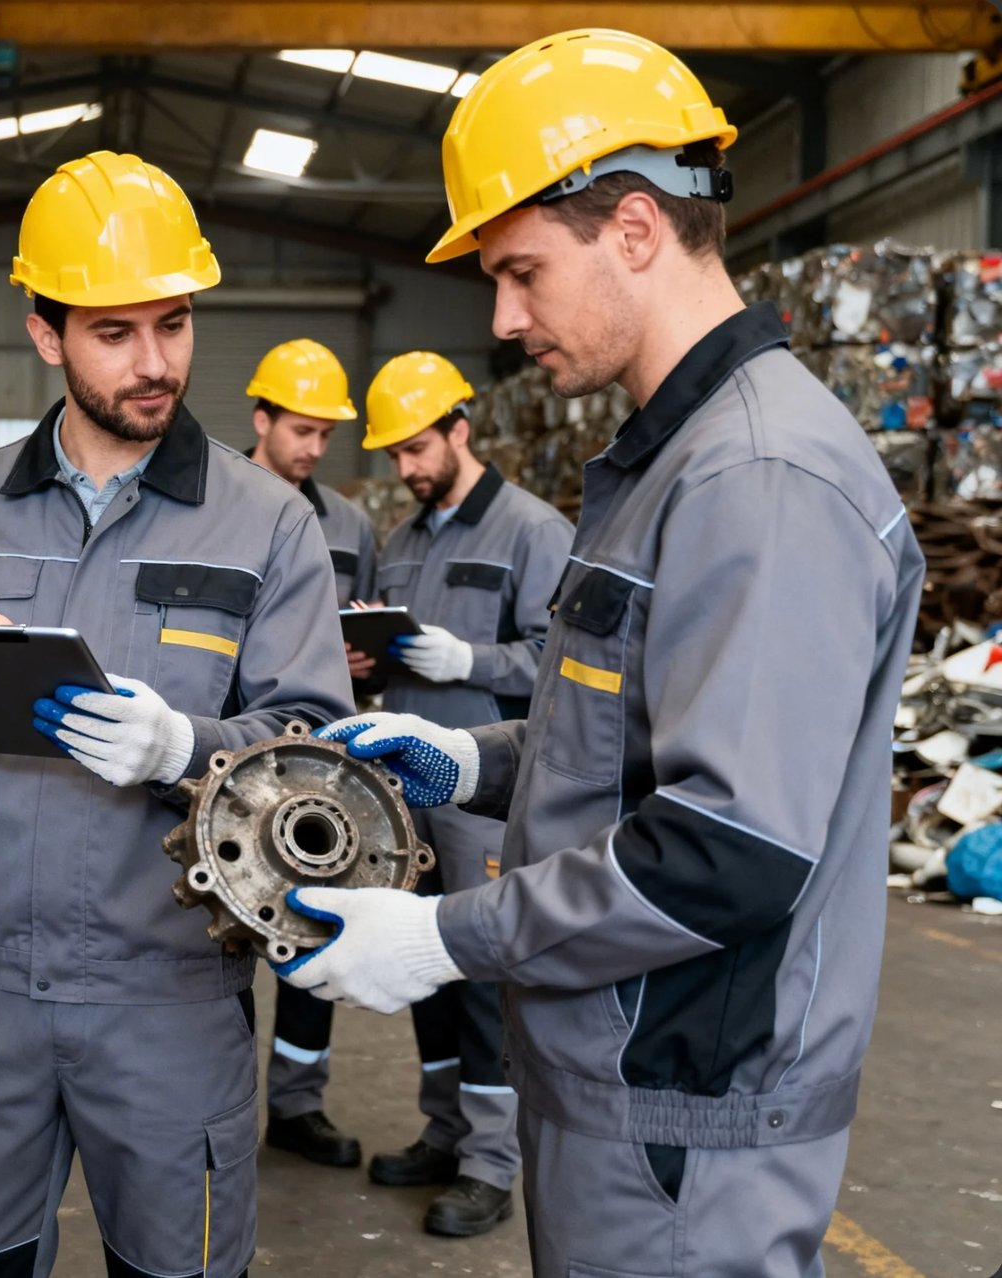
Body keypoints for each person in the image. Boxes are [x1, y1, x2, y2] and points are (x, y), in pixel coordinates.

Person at [276, 29, 924, 1277]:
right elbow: (629, 722)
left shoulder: (760, 477)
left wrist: (443, 938)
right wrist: (465, 761)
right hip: (619, 1081)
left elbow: (726, 854)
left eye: (521, 272)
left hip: (687, 1113)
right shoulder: (662, 461)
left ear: (634, 228)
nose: (507, 321)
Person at [0, 150, 353, 1278]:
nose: (156, 361)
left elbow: (316, 760)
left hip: (169, 999)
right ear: (46, 333)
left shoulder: (266, 524)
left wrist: (188, 749)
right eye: (115, 333)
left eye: (172, 324)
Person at [351, 351, 572, 1235]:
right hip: (409, 801)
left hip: (485, 796)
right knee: (425, 966)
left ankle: (491, 1162)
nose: (406, 468)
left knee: (483, 975)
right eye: (393, 455)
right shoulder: (402, 543)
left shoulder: (533, 531)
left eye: (417, 447)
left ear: (460, 428)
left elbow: (564, 673)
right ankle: (444, 1134)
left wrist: (470, 661)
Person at [240, 338, 377, 1168]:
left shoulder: (351, 524)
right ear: (260, 419)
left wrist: (365, 657)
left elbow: (370, 618)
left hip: (316, 763)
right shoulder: (210, 510)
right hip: (225, 754)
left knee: (310, 930)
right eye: (300, 429)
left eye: (326, 434)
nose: (313, 448)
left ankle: (295, 1103)